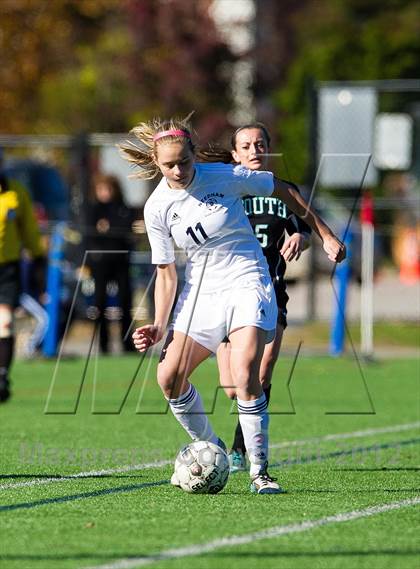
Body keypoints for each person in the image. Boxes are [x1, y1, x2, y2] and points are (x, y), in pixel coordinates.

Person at [120, 115, 345, 494]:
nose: (178, 171)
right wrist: (159, 324)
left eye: (184, 162)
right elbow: (166, 272)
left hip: (246, 279)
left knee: (244, 374)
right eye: (169, 165)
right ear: (157, 164)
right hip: (200, 292)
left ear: (194, 153)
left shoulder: (224, 175)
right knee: (168, 377)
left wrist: (324, 234)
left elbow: (283, 189)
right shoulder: (157, 207)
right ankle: (212, 447)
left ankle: (260, 472)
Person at [210, 123, 312, 472]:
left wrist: (301, 238)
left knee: (262, 371)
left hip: (270, 292)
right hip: (227, 293)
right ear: (235, 154)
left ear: (268, 148)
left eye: (260, 144)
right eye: (246, 146)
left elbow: (305, 227)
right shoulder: (227, 191)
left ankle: (242, 451)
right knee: (232, 386)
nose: (254, 150)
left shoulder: (283, 191)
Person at [0, 168, 46, 402]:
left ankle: (3, 377)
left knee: (5, 323)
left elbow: (29, 229)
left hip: (7, 268)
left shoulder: (15, 193)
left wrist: (38, 258)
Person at [85, 174, 136, 353]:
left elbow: (125, 229)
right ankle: (103, 345)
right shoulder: (93, 209)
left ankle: (127, 344)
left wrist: (108, 228)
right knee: (99, 304)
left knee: (125, 303)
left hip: (121, 262)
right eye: (101, 189)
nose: (104, 193)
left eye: (107, 189)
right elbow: (90, 234)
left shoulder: (122, 208)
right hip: (100, 263)